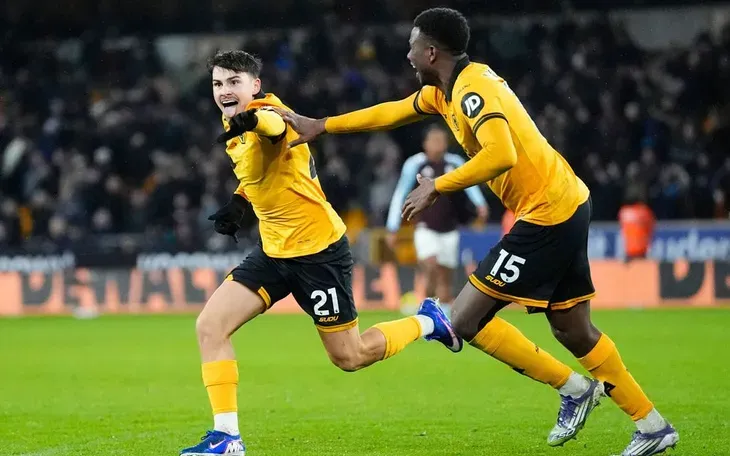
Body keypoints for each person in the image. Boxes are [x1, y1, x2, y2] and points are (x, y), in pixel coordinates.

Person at [276, 8, 678, 456]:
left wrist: (438, 186)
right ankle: (651, 425)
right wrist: (323, 126)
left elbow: (501, 154)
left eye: (412, 46)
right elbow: (391, 113)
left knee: (464, 319)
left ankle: (574, 389)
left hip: (547, 213)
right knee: (573, 330)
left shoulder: (472, 89)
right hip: (565, 202)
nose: (408, 55)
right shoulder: (443, 92)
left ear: (431, 52)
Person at [180, 50, 461, 456]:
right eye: (217, 84)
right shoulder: (233, 120)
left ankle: (428, 321)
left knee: (350, 356)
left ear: (255, 86)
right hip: (273, 251)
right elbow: (264, 169)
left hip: (318, 252)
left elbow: (274, 128)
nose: (224, 91)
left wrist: (253, 120)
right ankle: (227, 437)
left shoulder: (265, 113)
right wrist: (240, 201)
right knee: (210, 326)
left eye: (233, 83)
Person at [386, 124, 488, 314]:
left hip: (450, 228)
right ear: (425, 144)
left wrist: (480, 204)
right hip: (424, 227)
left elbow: (470, 183)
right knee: (431, 265)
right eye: (434, 140)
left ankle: (442, 317)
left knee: (445, 278)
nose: (438, 144)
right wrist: (392, 226)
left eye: (441, 140)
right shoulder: (415, 164)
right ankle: (428, 309)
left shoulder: (454, 162)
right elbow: (400, 193)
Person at [618, 186, 656, 261]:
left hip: (628, 250)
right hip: (641, 250)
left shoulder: (624, 212)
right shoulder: (644, 211)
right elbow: (651, 229)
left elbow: (622, 231)